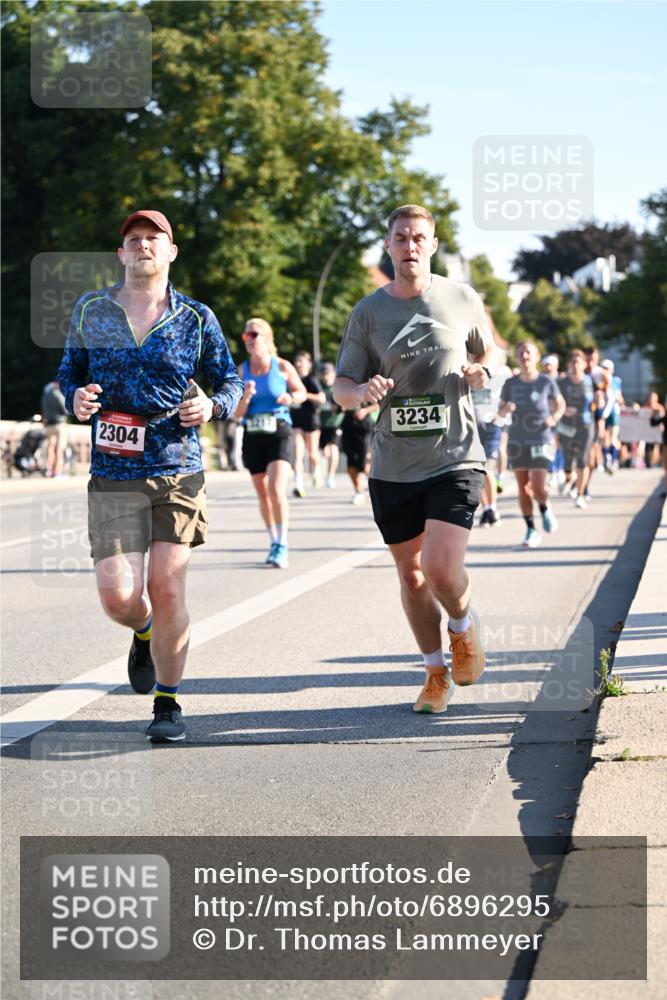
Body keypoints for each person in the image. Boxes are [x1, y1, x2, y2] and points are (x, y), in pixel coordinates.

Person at [57, 209, 243, 743]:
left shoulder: (196, 317)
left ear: (170, 252)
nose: (142, 246)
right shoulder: (92, 309)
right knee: (119, 596)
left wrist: (212, 405)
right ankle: (142, 632)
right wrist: (76, 397)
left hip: (176, 466)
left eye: (152, 239)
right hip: (113, 469)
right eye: (133, 239)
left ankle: (167, 701)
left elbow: (227, 380)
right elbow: (70, 371)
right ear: (121, 255)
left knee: (167, 583)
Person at [334, 203, 496, 715]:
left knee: (442, 569)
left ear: (432, 244)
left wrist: (481, 373)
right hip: (393, 464)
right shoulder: (368, 312)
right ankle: (433, 670)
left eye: (419, 238)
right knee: (411, 576)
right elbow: (339, 388)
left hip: (455, 455)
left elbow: (488, 354)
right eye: (401, 238)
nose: (410, 247)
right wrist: (361, 390)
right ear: (388, 246)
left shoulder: (461, 297)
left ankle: (464, 630)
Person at [233, 318, 306, 568]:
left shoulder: (282, 366)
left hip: (279, 430)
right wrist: (246, 396)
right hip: (253, 433)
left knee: (276, 489)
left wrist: (290, 396)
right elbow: (237, 413)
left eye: (253, 335)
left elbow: (302, 392)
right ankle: (273, 540)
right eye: (246, 336)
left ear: (265, 338)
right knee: (263, 494)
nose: (249, 340)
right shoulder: (241, 371)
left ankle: (282, 544)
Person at [497, 340, 565, 548]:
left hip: (541, 437)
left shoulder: (546, 382)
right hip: (517, 440)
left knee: (537, 485)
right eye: (521, 353)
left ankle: (544, 508)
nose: (524, 356)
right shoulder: (510, 383)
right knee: (523, 488)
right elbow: (499, 410)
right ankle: (531, 530)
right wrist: (505, 409)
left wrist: (554, 417)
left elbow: (560, 403)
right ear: (517, 357)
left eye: (528, 353)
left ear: (536, 357)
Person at [472, 356, 512, 526]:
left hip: (493, 425)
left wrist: (500, 414)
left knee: (487, 467)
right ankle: (486, 508)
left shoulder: (503, 371)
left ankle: (492, 507)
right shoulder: (469, 368)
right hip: (472, 425)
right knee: (475, 469)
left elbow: (511, 397)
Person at [557, 349, 596, 507]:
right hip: (567, 424)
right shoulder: (562, 382)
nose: (575, 365)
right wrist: (564, 410)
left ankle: (580, 494)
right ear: (568, 364)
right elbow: (554, 402)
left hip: (586, 423)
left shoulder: (590, 381)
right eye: (572, 362)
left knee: (582, 458)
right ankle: (569, 477)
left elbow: (600, 399)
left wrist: (599, 402)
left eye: (578, 362)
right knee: (567, 458)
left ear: (585, 364)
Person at [290, 350, 325, 496]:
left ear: (308, 364)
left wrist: (305, 395)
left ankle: (317, 471)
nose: (298, 364)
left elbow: (322, 398)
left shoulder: (312, 380)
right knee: (298, 451)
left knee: (312, 453)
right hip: (296, 418)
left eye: (301, 361)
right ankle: (298, 484)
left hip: (311, 419)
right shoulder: (292, 379)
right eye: (296, 361)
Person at [318, 361, 344, 487]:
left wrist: (339, 407)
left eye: (328, 373)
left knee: (333, 448)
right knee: (324, 452)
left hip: (335, 424)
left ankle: (331, 476)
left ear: (333, 374)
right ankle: (322, 474)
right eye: (323, 374)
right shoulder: (319, 387)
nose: (325, 376)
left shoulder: (337, 387)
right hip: (321, 424)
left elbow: (345, 404)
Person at [41, 379, 69, 477]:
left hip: (49, 425)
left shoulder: (45, 395)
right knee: (60, 448)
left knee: (50, 448)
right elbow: (65, 409)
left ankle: (48, 469)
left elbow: (43, 410)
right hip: (59, 424)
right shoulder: (57, 394)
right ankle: (57, 471)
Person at [649, 394, 667, 498]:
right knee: (666, 468)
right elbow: (653, 422)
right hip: (665, 445)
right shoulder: (665, 417)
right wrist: (653, 413)